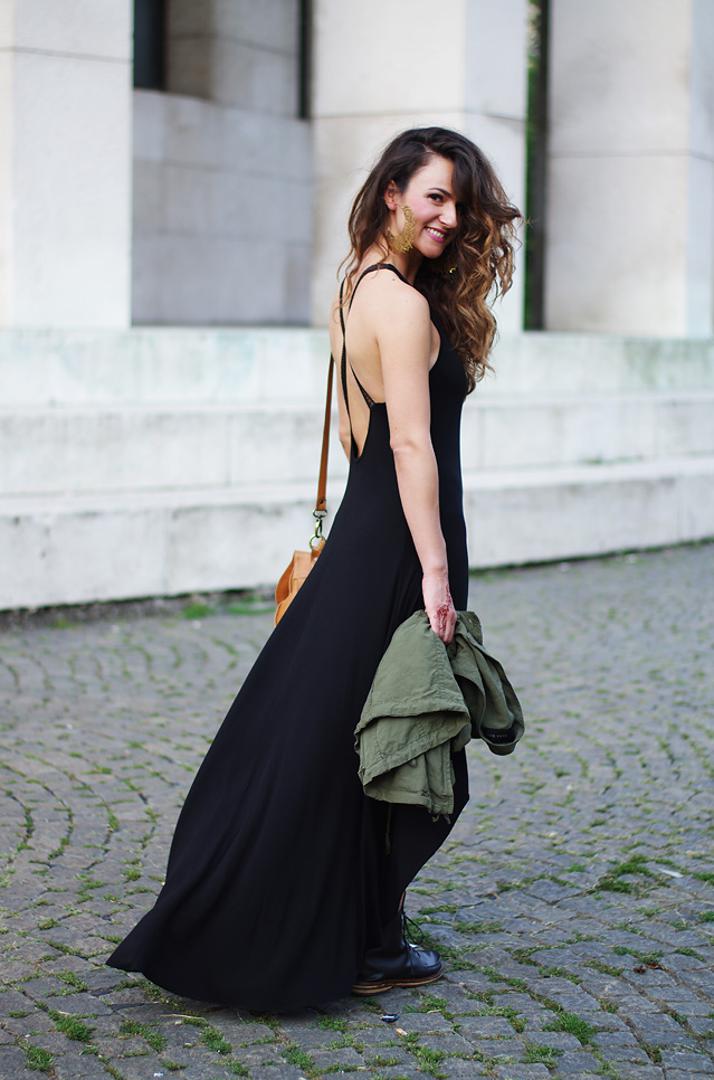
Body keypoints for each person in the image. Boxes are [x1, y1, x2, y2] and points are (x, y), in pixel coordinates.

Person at [106, 126, 521, 1013]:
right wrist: (435, 571)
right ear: (392, 193)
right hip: (401, 547)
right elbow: (408, 444)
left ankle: (366, 930)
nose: (450, 217)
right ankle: (361, 938)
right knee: (392, 728)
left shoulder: (357, 287)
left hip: (377, 536)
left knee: (349, 730)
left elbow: (351, 433)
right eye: (435, 196)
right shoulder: (399, 305)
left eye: (460, 202)